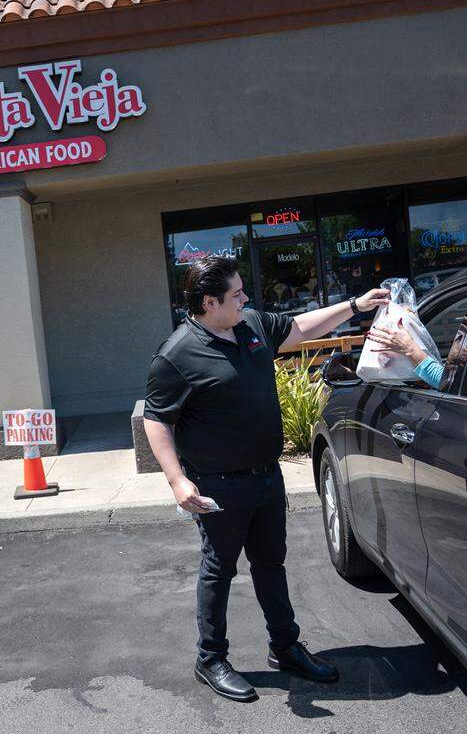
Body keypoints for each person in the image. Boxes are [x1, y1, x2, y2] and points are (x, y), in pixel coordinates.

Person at [143, 255, 389, 702]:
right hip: (218, 484)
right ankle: (210, 658)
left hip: (265, 478)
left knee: (271, 564)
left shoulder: (250, 325)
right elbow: (156, 419)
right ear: (209, 302)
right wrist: (177, 480)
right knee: (218, 570)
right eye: (236, 294)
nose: (246, 298)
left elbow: (298, 328)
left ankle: (285, 646)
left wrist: (354, 305)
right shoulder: (176, 354)